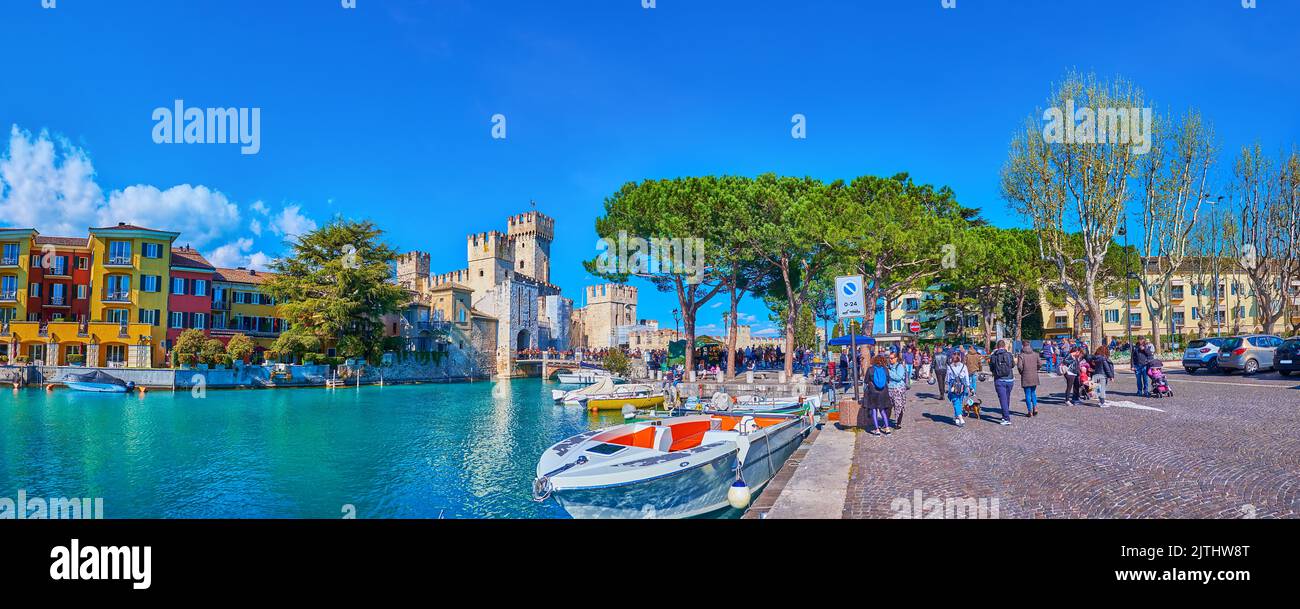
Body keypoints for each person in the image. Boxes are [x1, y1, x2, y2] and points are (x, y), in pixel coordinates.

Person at [989, 340, 1016, 426]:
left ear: (997, 346)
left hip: (999, 380)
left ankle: (1006, 418)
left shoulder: (994, 355)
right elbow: (1012, 365)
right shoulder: (1009, 355)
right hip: (1009, 379)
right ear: (1004, 346)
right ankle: (1005, 415)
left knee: (1003, 399)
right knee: (1007, 398)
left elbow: (991, 367)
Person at [864, 354, 893, 436]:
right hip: (883, 392)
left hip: (873, 392)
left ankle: (877, 430)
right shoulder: (885, 369)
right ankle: (887, 428)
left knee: (874, 410)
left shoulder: (870, 369)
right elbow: (888, 380)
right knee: (882, 410)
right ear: (883, 361)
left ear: (874, 361)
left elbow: (866, 380)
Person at [944, 353, 971, 427]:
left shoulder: (949, 367)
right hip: (962, 386)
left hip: (953, 385)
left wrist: (947, 385)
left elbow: (948, 378)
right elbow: (967, 377)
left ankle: (960, 417)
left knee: (955, 402)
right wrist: (968, 386)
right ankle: (958, 417)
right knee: (959, 402)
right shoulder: (964, 366)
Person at [1017, 341, 1041, 417]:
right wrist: (1036, 369)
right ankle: (1035, 408)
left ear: (1023, 346)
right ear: (1029, 345)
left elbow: (1019, 366)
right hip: (1034, 376)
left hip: (1026, 376)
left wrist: (1022, 372)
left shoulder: (1021, 355)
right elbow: (1040, 363)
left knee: (1027, 394)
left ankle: (1030, 411)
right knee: (1033, 393)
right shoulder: (1035, 354)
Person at [887, 352, 909, 430]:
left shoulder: (900, 366)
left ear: (896, 358)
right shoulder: (888, 366)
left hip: (898, 389)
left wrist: (889, 372)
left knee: (899, 406)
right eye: (889, 358)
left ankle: (898, 423)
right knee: (889, 406)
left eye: (892, 358)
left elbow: (898, 377)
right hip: (890, 389)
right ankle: (886, 423)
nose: (890, 360)